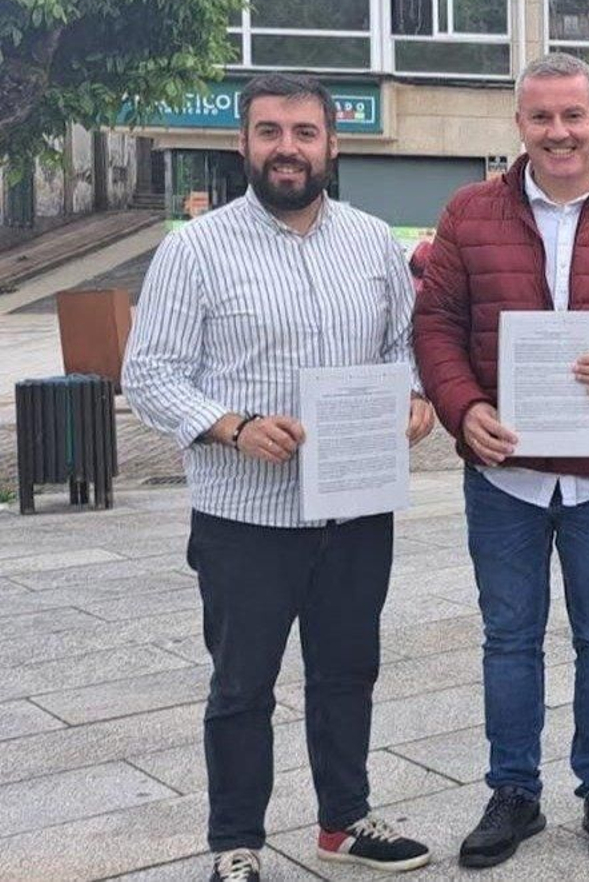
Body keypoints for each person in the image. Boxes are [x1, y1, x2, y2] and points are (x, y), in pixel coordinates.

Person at [123, 73, 436, 882]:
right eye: (270, 132)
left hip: (356, 505)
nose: (287, 148)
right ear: (245, 145)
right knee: (242, 686)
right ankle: (237, 840)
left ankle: (344, 820)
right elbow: (151, 374)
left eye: (303, 132)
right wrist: (231, 427)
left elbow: (402, 343)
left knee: (347, 672)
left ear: (333, 144)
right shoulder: (194, 249)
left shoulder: (372, 241)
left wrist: (413, 395)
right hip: (245, 516)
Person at [411, 53, 589, 868]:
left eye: (573, 115)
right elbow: (434, 325)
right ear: (520, 125)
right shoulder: (469, 213)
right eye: (541, 117)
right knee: (509, 638)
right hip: (504, 471)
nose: (559, 131)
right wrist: (463, 409)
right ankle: (513, 790)